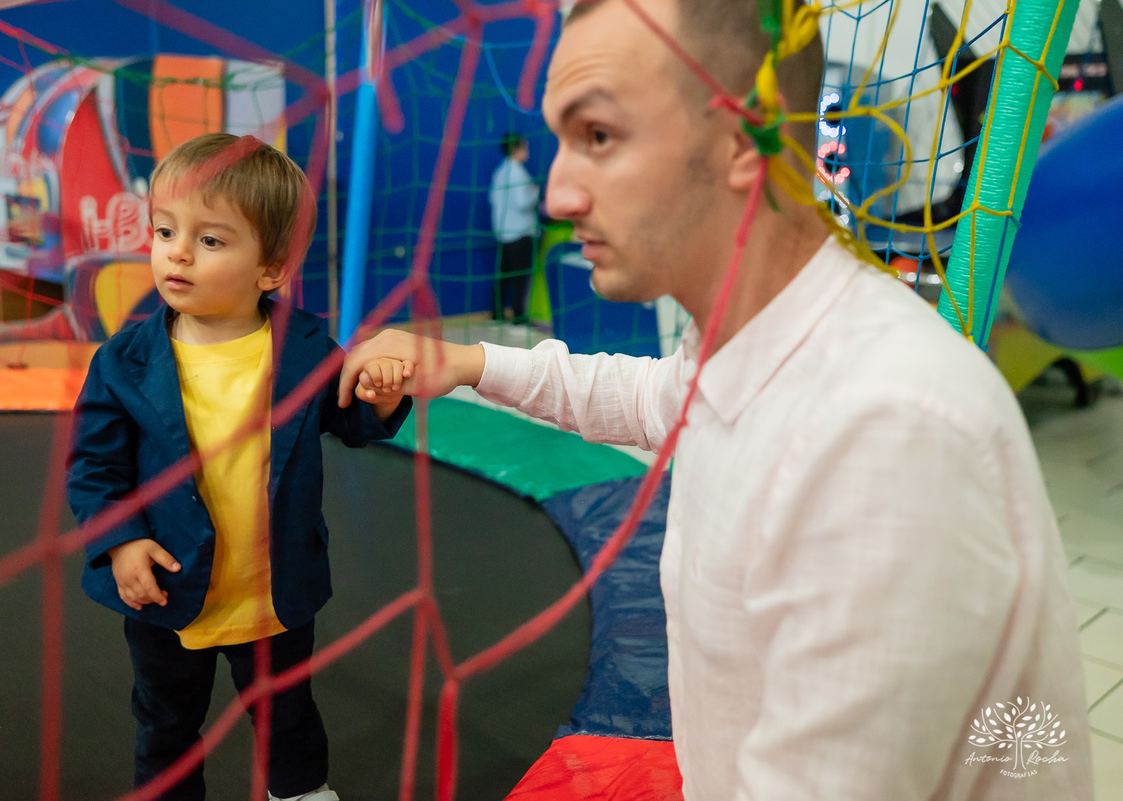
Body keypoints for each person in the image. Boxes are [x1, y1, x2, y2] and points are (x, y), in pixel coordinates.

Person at [340, 1, 1093, 799]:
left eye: (599, 136)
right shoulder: (754, 342)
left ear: (744, 139)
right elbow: (645, 394)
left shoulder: (885, 432)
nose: (559, 193)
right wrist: (467, 361)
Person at [66, 133, 412, 801]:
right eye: (166, 229)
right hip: (170, 591)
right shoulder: (124, 360)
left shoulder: (308, 347)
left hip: (273, 589)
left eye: (212, 240)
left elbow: (355, 424)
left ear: (272, 269)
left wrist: (381, 391)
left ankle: (300, 789)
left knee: (287, 713)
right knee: (166, 720)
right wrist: (119, 539)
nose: (178, 251)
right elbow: (93, 468)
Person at [488, 133, 540, 323]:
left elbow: (493, 201)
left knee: (504, 276)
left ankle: (497, 315)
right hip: (520, 232)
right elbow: (522, 203)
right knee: (520, 277)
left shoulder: (499, 172)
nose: (527, 152)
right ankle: (519, 316)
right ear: (517, 149)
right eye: (525, 147)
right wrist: (535, 193)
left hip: (503, 232)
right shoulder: (518, 172)